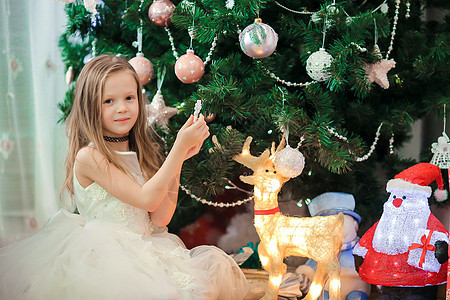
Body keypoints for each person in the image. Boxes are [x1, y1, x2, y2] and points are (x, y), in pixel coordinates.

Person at [0, 55, 249, 299]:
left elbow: (160, 216)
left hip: (147, 250)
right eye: (109, 101)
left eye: (129, 98)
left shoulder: (143, 153)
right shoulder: (89, 157)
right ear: (90, 106)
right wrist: (178, 148)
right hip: (106, 259)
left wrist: (180, 160)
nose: (122, 108)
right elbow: (146, 199)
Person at [353, 163, 449, 299]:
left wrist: (441, 249)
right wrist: (360, 255)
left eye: (404, 198)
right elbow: (368, 239)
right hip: (388, 286)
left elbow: (441, 240)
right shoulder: (384, 223)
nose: (397, 202)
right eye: (395, 197)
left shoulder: (427, 222)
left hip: (419, 285)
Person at [295, 192, 370, 300]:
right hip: (327, 288)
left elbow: (371, 265)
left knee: (357, 297)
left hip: (356, 287)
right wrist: (305, 277)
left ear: (355, 226)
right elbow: (310, 267)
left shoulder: (360, 249)